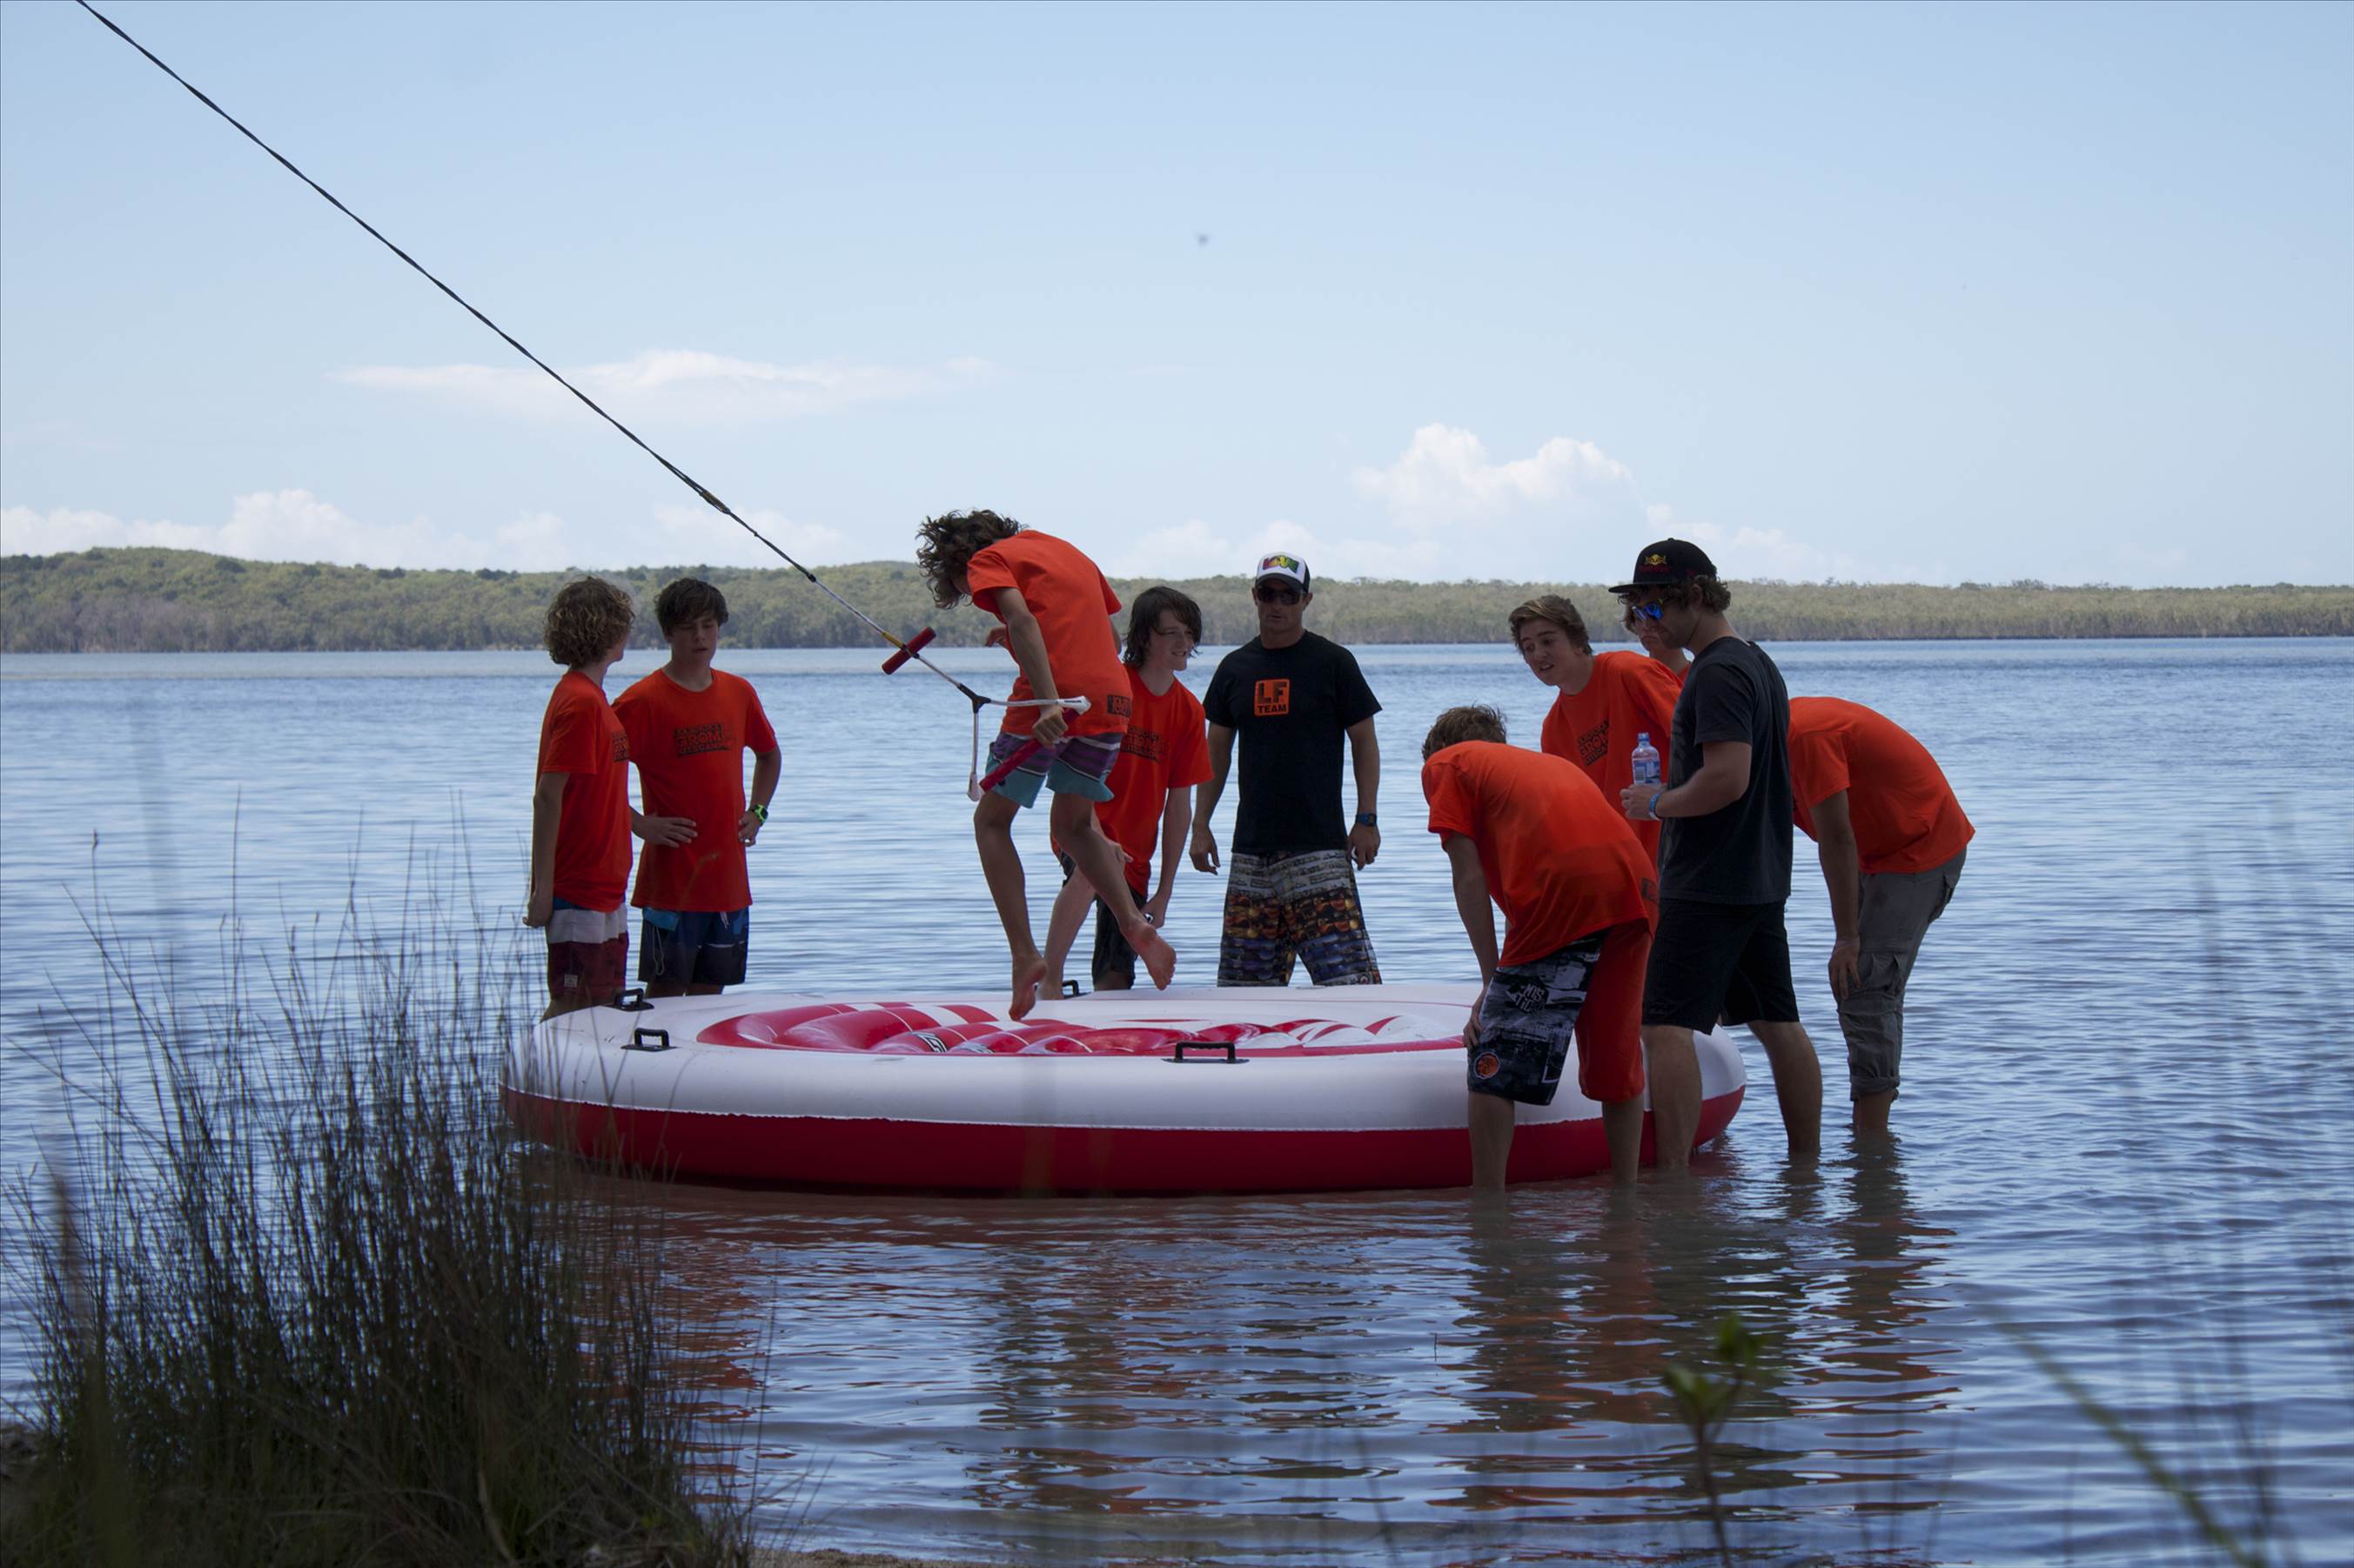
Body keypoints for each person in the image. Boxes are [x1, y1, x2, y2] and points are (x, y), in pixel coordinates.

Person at [915, 508, 1175, 1019]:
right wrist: (1016, 643)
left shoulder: (988, 558)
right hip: (1114, 701)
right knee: (1075, 826)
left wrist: (1051, 700)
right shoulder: (1067, 550)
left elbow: (1024, 617)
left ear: (960, 558)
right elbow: (1086, 629)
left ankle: (1024, 956)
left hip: (1050, 703)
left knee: (991, 824)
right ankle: (1132, 921)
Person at [1613, 539, 1821, 1168]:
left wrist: (1655, 804)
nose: (1647, 623)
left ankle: (1673, 1179)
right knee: (1775, 1021)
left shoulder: (1719, 671)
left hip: (1708, 879)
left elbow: (1727, 778)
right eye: (1639, 612)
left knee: (1663, 1026)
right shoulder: (1756, 662)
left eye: (1656, 608)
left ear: (1698, 597)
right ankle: (1805, 1168)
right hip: (1758, 873)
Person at [1421, 706, 1657, 1187]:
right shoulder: (1541, 769)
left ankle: (1488, 1213)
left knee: (1494, 1055)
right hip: (1637, 888)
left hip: (1568, 888)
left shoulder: (1447, 764)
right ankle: (1626, 1204)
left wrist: (1493, 984)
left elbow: (1467, 877)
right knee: (1615, 1055)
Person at [1191, 552, 1384, 987]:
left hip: (1319, 851)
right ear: (1254, 597)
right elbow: (1214, 754)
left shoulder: (1333, 662)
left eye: (1288, 596)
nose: (1277, 604)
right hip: (1251, 854)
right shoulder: (1234, 669)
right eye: (1267, 594)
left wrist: (1367, 818)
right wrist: (1200, 825)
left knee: (1349, 982)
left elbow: (1365, 743)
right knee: (1244, 988)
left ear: (1305, 600)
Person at [1787, 696, 1973, 1137]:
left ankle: (1871, 1145)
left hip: (1919, 847)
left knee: (1864, 982)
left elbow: (1835, 838)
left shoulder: (1806, 736)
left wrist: (1847, 937)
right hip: (1873, 848)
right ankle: (1871, 1135)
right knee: (1870, 987)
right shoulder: (1749, 747)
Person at [613, 578, 781, 999]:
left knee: (710, 1000)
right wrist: (638, 823)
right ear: (669, 633)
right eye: (689, 627)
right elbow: (597, 774)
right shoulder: (641, 701)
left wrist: (758, 812)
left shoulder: (739, 692)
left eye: (709, 625)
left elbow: (769, 755)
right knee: (665, 994)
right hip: (671, 882)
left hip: (727, 880)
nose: (701, 637)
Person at [1043, 587, 1211, 993]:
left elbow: (1179, 806)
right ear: (1143, 638)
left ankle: (1111, 1037)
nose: (1183, 644)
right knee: (1087, 871)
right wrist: (1096, 837)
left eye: (1188, 634)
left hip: (1137, 854)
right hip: (1083, 828)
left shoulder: (1188, 710)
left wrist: (1166, 891)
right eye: (1170, 633)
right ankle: (1046, 982)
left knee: (1116, 976)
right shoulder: (1113, 689)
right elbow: (1073, 769)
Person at [525, 576, 637, 1018]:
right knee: (572, 1007)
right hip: (578, 888)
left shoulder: (595, 699)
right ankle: (531, 1083)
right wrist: (542, 890)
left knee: (604, 1007)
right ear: (607, 629)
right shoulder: (579, 702)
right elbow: (548, 797)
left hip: (608, 886)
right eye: (623, 623)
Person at [1513, 593, 1683, 866]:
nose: (1538, 654)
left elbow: (1702, 748)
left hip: (1681, 855)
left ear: (1578, 643)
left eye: (1548, 641)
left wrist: (1667, 798)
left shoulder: (1630, 672)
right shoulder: (1553, 729)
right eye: (1528, 647)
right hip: (1623, 868)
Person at [1626, 600, 1691, 681]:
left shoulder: (1698, 680)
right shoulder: (1633, 680)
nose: (1646, 626)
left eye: (1655, 615)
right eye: (1639, 618)